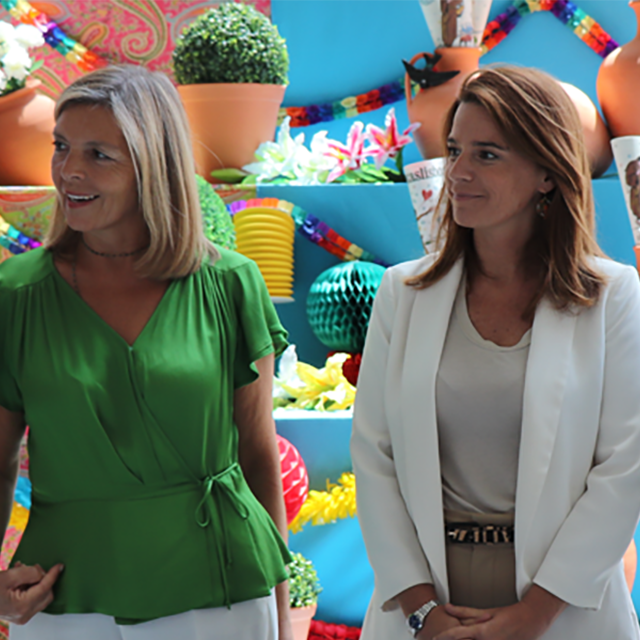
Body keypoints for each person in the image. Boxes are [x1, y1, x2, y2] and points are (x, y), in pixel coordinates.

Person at [0, 64, 293, 640]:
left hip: (219, 585)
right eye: (61, 146)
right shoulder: (16, 294)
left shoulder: (230, 284)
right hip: (64, 592)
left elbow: (259, 458)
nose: (69, 170)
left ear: (152, 165)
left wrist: (283, 620)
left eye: (98, 154)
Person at [351, 65, 640, 640]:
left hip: (561, 606)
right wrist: (420, 610)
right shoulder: (401, 294)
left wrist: (536, 614)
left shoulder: (614, 296)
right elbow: (374, 458)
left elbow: (625, 465)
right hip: (429, 601)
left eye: (487, 155)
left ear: (548, 173)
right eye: (455, 150)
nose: (457, 172)